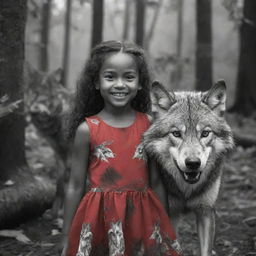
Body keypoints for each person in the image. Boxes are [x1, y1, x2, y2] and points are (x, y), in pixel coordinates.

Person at [60, 40, 182, 256]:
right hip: (101, 217)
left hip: (141, 216)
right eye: (110, 77)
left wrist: (165, 226)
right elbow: (75, 185)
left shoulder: (149, 125)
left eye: (128, 77)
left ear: (140, 83)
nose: (119, 84)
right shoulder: (87, 129)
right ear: (96, 82)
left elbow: (155, 181)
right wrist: (67, 236)